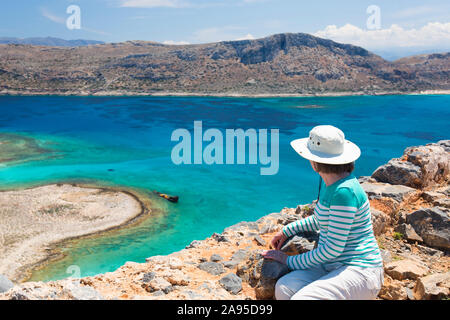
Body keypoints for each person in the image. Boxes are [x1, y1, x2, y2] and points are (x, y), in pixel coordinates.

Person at [262, 125, 384, 300]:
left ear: (314, 162)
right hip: (332, 266)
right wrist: (286, 230)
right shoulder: (332, 184)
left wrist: (287, 260)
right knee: (284, 289)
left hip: (360, 270)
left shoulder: (344, 192)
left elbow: (332, 249)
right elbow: (321, 219)